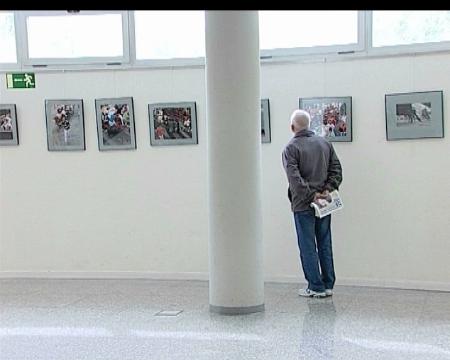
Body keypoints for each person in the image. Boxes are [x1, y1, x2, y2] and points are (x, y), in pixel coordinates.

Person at [282, 109, 343, 298]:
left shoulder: (290, 148)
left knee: (307, 245)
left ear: (292, 127)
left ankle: (315, 286)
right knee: (325, 242)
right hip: (325, 203)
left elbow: (295, 179)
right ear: (309, 125)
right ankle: (328, 284)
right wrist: (326, 190)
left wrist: (311, 196)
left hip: (303, 205)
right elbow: (336, 170)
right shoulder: (324, 143)